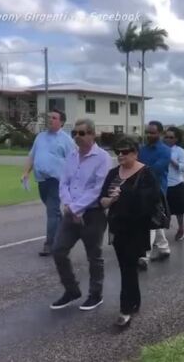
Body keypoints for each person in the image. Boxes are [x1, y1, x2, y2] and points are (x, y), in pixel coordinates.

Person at [50, 118, 112, 311]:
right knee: (58, 250)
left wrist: (77, 208)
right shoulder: (71, 155)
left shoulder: (103, 158)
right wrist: (69, 206)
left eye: (82, 133)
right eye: (74, 133)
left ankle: (95, 294)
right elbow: (64, 183)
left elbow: (97, 188)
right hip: (71, 213)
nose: (77, 136)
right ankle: (71, 290)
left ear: (92, 135)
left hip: (93, 214)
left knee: (94, 255)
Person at [99, 137, 160, 327]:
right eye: (118, 151)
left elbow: (152, 199)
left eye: (125, 152)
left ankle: (125, 309)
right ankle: (135, 301)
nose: (120, 155)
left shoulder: (146, 173)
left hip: (136, 228)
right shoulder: (112, 173)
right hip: (117, 227)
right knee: (127, 267)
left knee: (128, 267)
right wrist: (111, 200)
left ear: (135, 152)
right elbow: (102, 200)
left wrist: (125, 194)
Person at [22, 109, 76, 256]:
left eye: (54, 118)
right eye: (48, 117)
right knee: (54, 212)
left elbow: (74, 162)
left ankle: (50, 244)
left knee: (51, 211)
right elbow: (32, 156)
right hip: (41, 180)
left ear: (61, 122)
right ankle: (65, 232)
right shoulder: (40, 137)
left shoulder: (67, 140)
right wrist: (26, 172)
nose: (50, 120)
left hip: (56, 180)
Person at [139, 121, 172, 264]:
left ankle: (144, 255)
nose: (149, 135)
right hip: (142, 189)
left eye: (152, 132)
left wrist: (140, 169)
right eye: (148, 132)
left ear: (159, 133)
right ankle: (164, 248)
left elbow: (154, 170)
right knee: (154, 219)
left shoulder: (165, 150)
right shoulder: (142, 149)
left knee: (149, 221)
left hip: (158, 190)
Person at [164, 127, 184, 242]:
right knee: (162, 210)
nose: (168, 139)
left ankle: (181, 229)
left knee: (179, 210)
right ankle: (160, 235)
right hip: (163, 185)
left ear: (176, 139)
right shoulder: (161, 149)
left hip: (176, 184)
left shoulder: (180, 151)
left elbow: (183, 168)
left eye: (171, 137)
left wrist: (170, 159)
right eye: (166, 136)